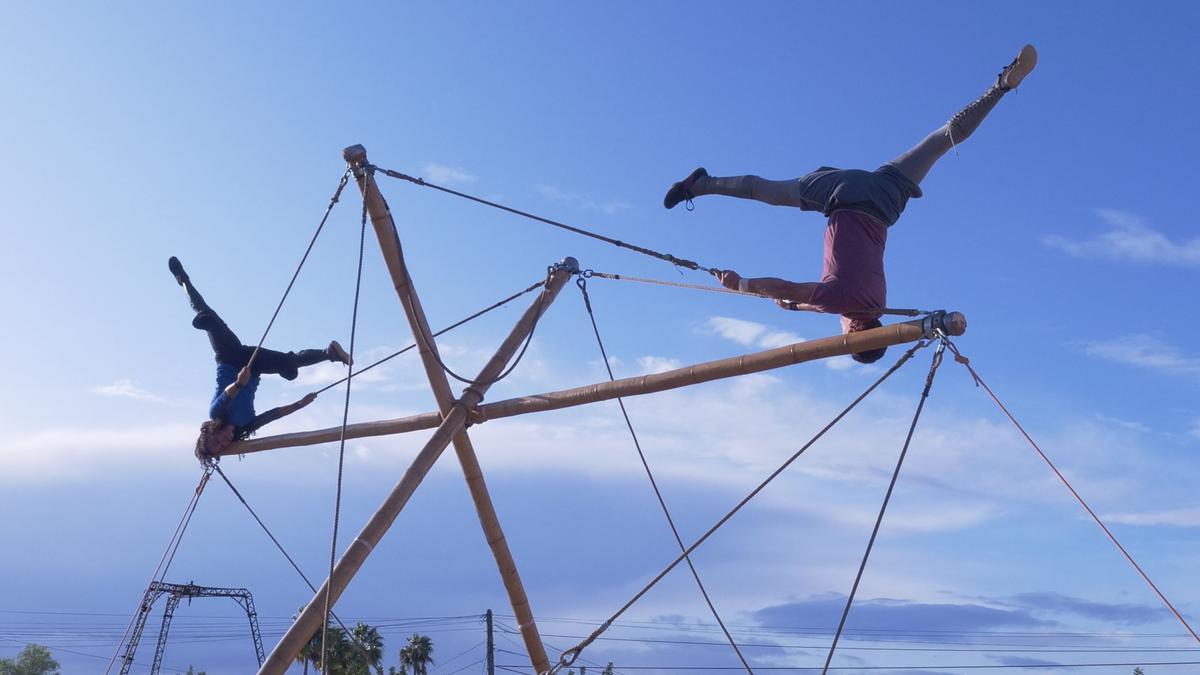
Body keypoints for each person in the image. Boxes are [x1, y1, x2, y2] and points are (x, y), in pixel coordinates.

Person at [663, 45, 1038, 363]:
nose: (841, 324)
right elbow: (793, 288)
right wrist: (742, 284)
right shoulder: (843, 303)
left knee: (943, 139)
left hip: (887, 199)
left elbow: (823, 302)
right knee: (764, 191)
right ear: (856, 330)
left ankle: (1001, 86)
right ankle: (701, 184)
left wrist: (794, 308)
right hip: (844, 196)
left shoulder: (875, 306)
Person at [168, 256, 353, 458]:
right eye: (221, 447)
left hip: (230, 357)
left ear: (210, 433)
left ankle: (184, 281)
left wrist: (239, 384)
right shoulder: (246, 426)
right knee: (288, 365)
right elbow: (272, 415)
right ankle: (330, 353)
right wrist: (300, 404)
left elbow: (226, 396)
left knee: (206, 313)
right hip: (253, 366)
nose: (223, 443)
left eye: (216, 441)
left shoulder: (216, 414)